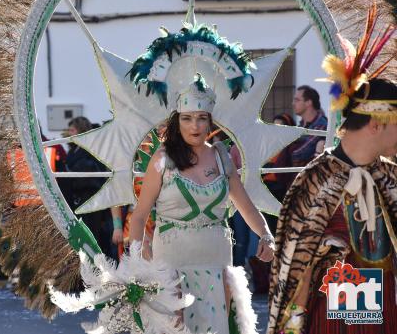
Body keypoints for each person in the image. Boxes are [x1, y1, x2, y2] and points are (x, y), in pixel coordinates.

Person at [268, 8, 397, 334]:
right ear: (378, 122)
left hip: (385, 315)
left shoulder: (389, 177)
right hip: (333, 319)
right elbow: (293, 275)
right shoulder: (316, 180)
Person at [129, 76, 275, 334]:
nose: (194, 126)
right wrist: (136, 264)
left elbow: (247, 208)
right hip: (172, 265)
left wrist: (266, 234)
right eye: (187, 118)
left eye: (201, 118)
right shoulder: (163, 159)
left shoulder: (221, 157)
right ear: (177, 120)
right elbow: (140, 216)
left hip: (217, 264)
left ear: (210, 120)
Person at [61, 116, 120, 261]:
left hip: (91, 200)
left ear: (81, 130)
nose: (70, 133)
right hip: (76, 199)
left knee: (92, 235)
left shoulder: (91, 149)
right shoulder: (73, 150)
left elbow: (96, 173)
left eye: (73, 129)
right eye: (69, 130)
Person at [291, 85, 327, 167]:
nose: (293, 103)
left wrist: (287, 150)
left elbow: (298, 155)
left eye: (297, 100)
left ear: (308, 102)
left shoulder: (321, 125)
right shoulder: (301, 125)